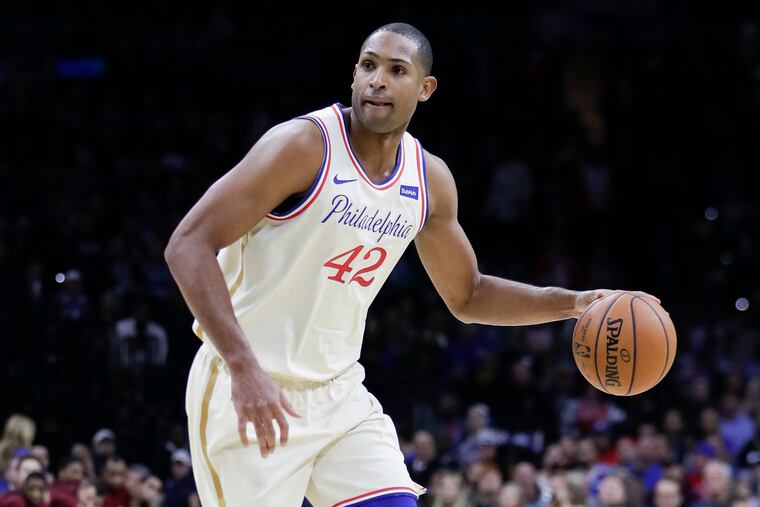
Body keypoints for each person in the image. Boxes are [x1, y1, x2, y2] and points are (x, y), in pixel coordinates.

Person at [165, 21, 657, 507]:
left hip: (339, 395)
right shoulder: (302, 147)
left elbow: (469, 295)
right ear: (354, 75)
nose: (377, 80)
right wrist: (243, 367)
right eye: (368, 66)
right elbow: (187, 244)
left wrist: (574, 303)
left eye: (396, 70)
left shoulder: (428, 180)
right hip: (248, 385)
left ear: (425, 88)